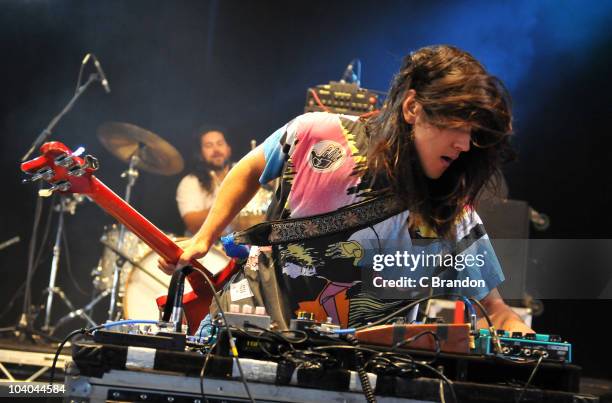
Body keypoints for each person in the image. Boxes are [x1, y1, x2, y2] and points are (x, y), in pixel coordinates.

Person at [161, 45, 533, 333]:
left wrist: (518, 333)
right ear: (412, 108)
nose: (465, 144)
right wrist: (204, 237)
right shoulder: (319, 132)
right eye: (455, 125)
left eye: (472, 133)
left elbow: (495, 309)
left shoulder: (449, 208)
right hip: (251, 323)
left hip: (362, 369)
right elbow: (249, 167)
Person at [175, 128, 232, 235]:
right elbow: (192, 224)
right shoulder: (190, 182)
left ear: (228, 149)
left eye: (220, 143)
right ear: (200, 153)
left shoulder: (244, 173)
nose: (216, 150)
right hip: (211, 248)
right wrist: (230, 205)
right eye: (209, 145)